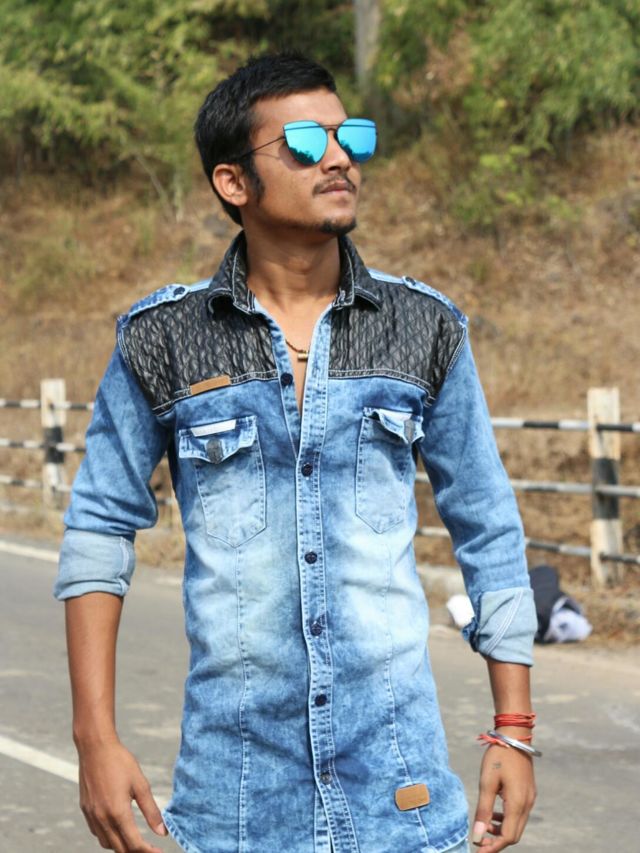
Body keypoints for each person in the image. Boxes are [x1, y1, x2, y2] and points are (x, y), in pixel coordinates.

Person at [53, 51, 538, 853]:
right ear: (233, 182)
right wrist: (94, 740)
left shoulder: (423, 328)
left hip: (402, 799)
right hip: (235, 802)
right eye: (307, 143)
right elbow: (99, 531)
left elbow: (487, 526)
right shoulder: (164, 340)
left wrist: (513, 730)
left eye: (352, 136)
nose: (339, 158)